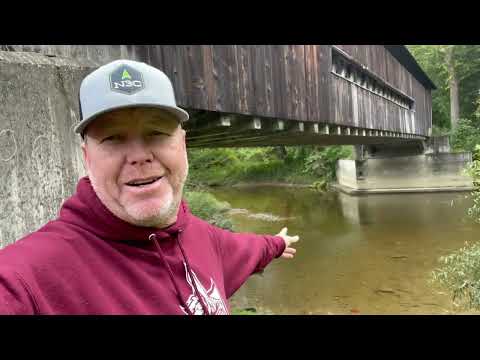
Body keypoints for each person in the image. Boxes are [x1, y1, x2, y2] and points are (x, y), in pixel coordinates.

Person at [0, 59, 299, 315]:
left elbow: (249, 248)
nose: (140, 156)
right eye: (113, 138)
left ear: (182, 144)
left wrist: (277, 244)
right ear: (87, 158)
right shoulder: (29, 278)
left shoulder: (203, 238)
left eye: (156, 132)